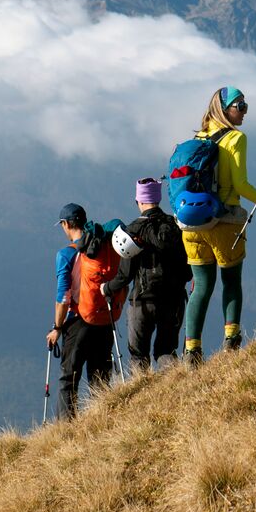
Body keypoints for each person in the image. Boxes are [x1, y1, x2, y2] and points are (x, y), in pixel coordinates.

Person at [181, 87, 256, 365]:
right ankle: (232, 339)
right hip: (225, 221)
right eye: (239, 105)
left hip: (191, 225)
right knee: (231, 280)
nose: (245, 110)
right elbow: (241, 185)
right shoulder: (236, 138)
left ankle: (192, 350)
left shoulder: (198, 137)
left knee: (201, 286)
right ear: (224, 109)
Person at [100, 178, 188, 371]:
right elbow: (187, 265)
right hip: (173, 299)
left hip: (143, 301)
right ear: (158, 198)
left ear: (138, 201)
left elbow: (125, 275)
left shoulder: (133, 230)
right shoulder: (175, 226)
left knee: (138, 356)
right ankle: (173, 391)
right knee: (166, 351)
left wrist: (106, 288)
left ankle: (142, 395)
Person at [46, 203, 122, 418]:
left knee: (68, 378)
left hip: (78, 320)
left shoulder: (66, 255)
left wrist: (57, 328)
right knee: (100, 376)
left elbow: (63, 296)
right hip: (105, 317)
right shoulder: (103, 246)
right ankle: (103, 421)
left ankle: (66, 429)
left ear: (66, 224)